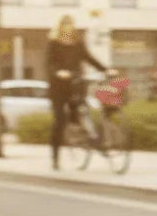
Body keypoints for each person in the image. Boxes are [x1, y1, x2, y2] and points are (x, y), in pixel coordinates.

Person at [47, 15, 115, 170]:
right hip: (59, 88)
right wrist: (58, 72)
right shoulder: (53, 44)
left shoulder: (78, 44)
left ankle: (87, 139)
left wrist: (106, 69)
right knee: (59, 121)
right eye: (65, 24)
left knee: (79, 114)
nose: (68, 27)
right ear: (60, 26)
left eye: (71, 24)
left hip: (76, 84)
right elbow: (50, 63)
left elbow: (89, 58)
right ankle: (55, 157)